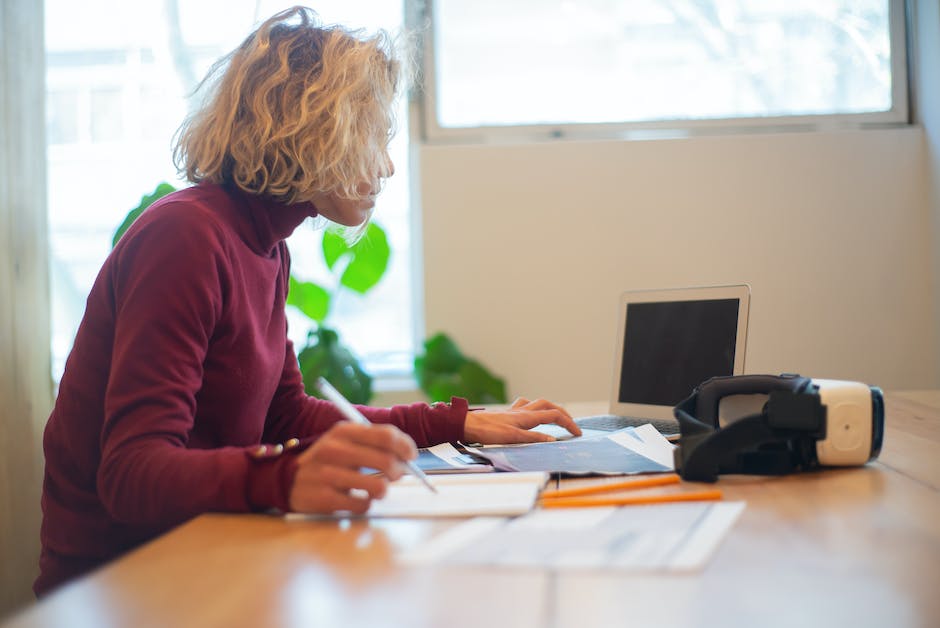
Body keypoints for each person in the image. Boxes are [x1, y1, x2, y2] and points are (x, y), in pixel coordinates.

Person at [35, 6, 579, 597]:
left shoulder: (264, 244)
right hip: (122, 590)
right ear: (314, 127)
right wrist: (285, 475)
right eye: (375, 135)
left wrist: (456, 422)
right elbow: (130, 474)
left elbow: (285, 414)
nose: (387, 164)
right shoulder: (186, 237)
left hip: (205, 557)